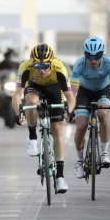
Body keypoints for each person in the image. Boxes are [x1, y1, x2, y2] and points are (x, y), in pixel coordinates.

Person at [12, 43, 75, 193]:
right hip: (33, 86)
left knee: (58, 130)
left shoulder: (59, 68)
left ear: (51, 62)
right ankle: (33, 139)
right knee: (31, 102)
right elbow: (16, 94)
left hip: (54, 88)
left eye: (45, 66)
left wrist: (69, 111)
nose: (41, 70)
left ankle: (60, 177)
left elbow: (70, 97)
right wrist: (18, 113)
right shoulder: (25, 67)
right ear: (32, 63)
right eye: (38, 66)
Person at [70, 36, 110, 179]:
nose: (93, 60)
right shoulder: (79, 65)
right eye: (89, 57)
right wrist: (69, 110)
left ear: (102, 54)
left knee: (103, 114)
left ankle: (104, 153)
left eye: (97, 56)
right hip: (83, 93)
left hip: (102, 91)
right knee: (81, 126)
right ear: (84, 55)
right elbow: (73, 91)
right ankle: (79, 161)